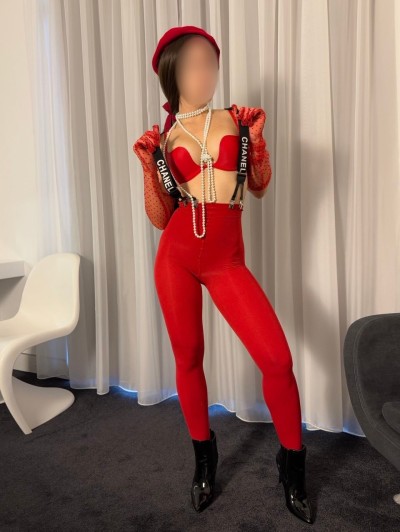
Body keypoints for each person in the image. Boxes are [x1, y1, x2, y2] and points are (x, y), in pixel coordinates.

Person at [133, 25, 315, 524]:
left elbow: (258, 186)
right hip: (175, 258)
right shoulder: (164, 138)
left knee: (276, 359)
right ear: (173, 74)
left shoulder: (234, 118)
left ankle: (292, 464)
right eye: (194, 64)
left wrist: (256, 140)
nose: (206, 72)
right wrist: (149, 168)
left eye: (211, 63)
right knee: (189, 356)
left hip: (225, 262)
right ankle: (203, 459)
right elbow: (160, 217)